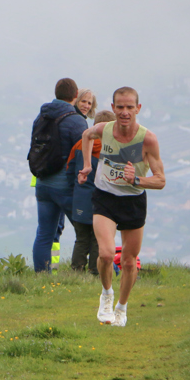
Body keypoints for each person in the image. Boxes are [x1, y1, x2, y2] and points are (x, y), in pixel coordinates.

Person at [79, 87, 165, 326]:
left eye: (129, 107)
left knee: (128, 261)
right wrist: (87, 165)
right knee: (106, 254)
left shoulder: (148, 139)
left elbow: (160, 180)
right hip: (105, 197)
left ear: (138, 109)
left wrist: (136, 179)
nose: (125, 112)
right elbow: (86, 135)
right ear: (113, 108)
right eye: (120, 107)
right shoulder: (104, 130)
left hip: (133, 201)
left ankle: (122, 308)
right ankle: (106, 295)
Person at [30, 78, 89, 272]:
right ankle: (97, 272)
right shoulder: (76, 120)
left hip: (42, 184)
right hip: (65, 187)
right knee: (87, 231)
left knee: (44, 234)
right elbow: (84, 153)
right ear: (75, 95)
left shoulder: (41, 117)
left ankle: (41, 277)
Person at [65, 110, 116, 275]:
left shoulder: (80, 145)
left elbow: (69, 170)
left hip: (79, 199)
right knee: (97, 240)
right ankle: (95, 271)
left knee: (81, 239)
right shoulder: (111, 150)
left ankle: (76, 271)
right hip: (100, 202)